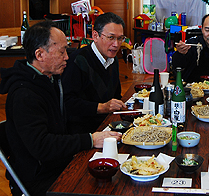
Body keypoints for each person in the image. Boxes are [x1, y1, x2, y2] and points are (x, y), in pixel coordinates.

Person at [0, 21, 121, 196]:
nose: (67, 57)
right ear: (40, 54)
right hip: (40, 178)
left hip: (59, 162)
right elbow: (42, 146)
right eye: (62, 51)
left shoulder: (49, 79)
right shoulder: (24, 94)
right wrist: (90, 139)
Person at [61, 12, 127, 134]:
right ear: (95, 36)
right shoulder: (78, 61)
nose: (116, 44)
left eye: (120, 38)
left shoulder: (113, 60)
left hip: (108, 125)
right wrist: (102, 107)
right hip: (84, 132)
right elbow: (67, 103)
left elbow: (116, 95)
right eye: (111, 37)